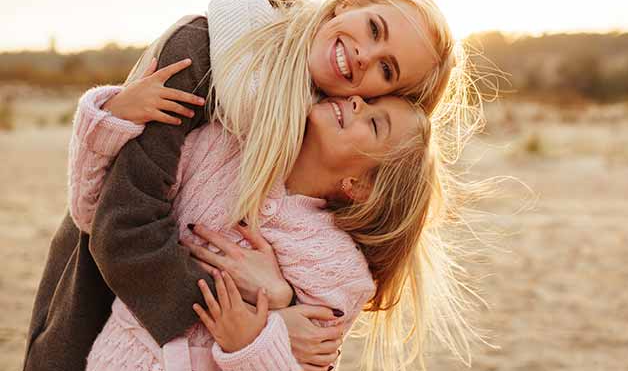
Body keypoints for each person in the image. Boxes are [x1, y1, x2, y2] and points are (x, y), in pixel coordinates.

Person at [24, 0, 477, 371]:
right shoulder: (207, 52)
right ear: (349, 3)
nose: (364, 55)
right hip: (92, 309)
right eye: (374, 28)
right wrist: (266, 322)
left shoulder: (325, 138)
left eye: (386, 69)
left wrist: (278, 317)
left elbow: (315, 344)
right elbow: (121, 228)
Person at [69, 84, 432, 370]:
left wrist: (250, 341)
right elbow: (92, 216)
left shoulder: (340, 271)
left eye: (373, 123)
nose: (356, 102)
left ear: (361, 186)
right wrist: (106, 120)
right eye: (367, 100)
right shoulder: (217, 148)